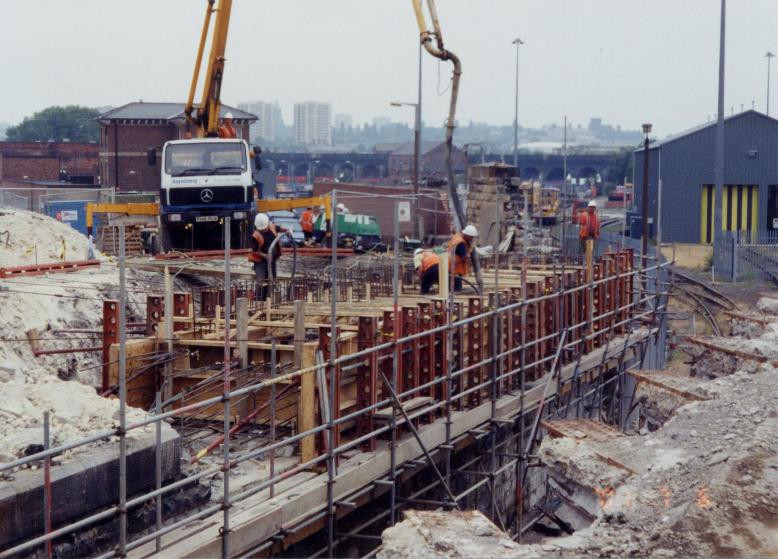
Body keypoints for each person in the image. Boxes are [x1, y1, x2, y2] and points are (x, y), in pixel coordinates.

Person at [249, 213, 282, 300]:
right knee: (262, 281)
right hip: (261, 262)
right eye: (262, 229)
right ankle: (259, 301)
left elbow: (280, 229)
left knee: (272, 280)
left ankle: (269, 299)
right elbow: (254, 250)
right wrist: (264, 255)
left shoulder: (272, 227)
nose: (264, 230)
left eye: (265, 228)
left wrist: (288, 230)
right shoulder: (255, 236)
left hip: (272, 260)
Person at [448, 225, 478, 292]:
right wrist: (469, 252)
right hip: (456, 269)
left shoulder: (457, 237)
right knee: (457, 290)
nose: (472, 239)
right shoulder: (461, 243)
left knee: (451, 287)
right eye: (471, 237)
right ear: (467, 235)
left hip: (450, 266)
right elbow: (463, 256)